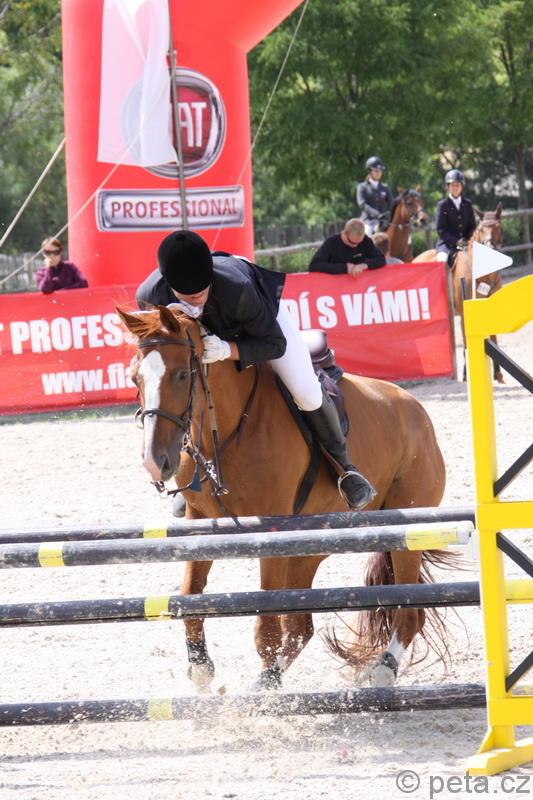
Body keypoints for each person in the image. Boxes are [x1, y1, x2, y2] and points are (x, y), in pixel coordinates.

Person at [136, 230, 376, 511]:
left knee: (306, 392)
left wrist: (228, 350)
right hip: (204, 333)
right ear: (170, 286)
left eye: (201, 293)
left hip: (258, 322)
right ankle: (192, 471)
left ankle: (345, 469)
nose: (197, 301)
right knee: (183, 387)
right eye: (188, 297)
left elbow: (274, 344)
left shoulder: (238, 289)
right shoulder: (150, 296)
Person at [309, 218, 386, 275]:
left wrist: (365, 265)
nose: (356, 245)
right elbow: (314, 266)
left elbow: (381, 259)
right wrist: (344, 268)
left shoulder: (365, 241)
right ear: (344, 234)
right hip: (335, 286)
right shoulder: (331, 243)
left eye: (359, 242)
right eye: (352, 242)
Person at [435, 169, 477, 268]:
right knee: (442, 260)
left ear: (462, 186)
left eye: (457, 185)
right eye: (452, 185)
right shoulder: (443, 205)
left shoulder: (468, 204)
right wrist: (456, 241)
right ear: (448, 187)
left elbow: (472, 226)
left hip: (466, 243)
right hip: (447, 245)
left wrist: (469, 240)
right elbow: (441, 230)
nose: (455, 188)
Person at [356, 156, 394, 236]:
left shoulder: (385, 188)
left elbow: (391, 203)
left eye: (380, 171)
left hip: (383, 221)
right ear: (370, 171)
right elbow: (362, 204)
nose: (379, 173)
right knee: (367, 235)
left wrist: (388, 213)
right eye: (376, 171)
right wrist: (377, 214)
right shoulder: (362, 187)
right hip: (368, 221)